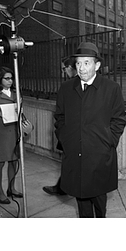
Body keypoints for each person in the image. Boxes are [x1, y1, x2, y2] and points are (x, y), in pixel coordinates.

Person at [54, 42, 126, 218]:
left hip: (99, 154)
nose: (81, 68)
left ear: (97, 65)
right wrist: (66, 140)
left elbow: (118, 120)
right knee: (81, 197)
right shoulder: (66, 88)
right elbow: (60, 118)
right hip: (75, 153)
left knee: (99, 198)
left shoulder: (111, 88)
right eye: (78, 63)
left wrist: (108, 142)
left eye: (86, 63)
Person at [42, 56, 77, 196]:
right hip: (69, 131)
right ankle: (61, 187)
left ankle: (62, 187)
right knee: (70, 162)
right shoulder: (69, 86)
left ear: (69, 67)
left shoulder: (72, 86)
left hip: (75, 132)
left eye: (64, 68)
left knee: (71, 162)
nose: (64, 72)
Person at [0, 67, 23, 204]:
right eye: (7, 78)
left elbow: (22, 112)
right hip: (0, 133)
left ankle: (11, 188)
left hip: (14, 131)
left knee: (14, 161)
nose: (10, 81)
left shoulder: (16, 94)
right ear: (0, 79)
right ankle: (0, 192)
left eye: (11, 78)